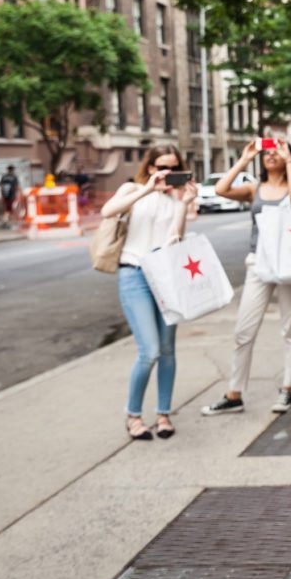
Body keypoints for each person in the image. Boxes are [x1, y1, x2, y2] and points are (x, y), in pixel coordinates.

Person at [201, 139, 291, 416]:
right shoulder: (254, 189)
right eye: (268, 152)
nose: (271, 155)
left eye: (277, 152)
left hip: (289, 264)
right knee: (243, 330)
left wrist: (290, 161)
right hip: (258, 262)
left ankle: (287, 389)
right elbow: (220, 189)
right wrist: (245, 158)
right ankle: (234, 393)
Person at [100, 145, 197, 440]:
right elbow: (107, 211)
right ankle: (133, 416)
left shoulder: (176, 200)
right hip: (135, 275)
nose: (167, 172)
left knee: (167, 350)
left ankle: (164, 414)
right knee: (149, 351)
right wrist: (147, 189)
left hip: (166, 277)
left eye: (174, 166)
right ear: (151, 167)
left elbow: (175, 239)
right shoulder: (133, 189)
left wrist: (184, 202)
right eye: (162, 166)